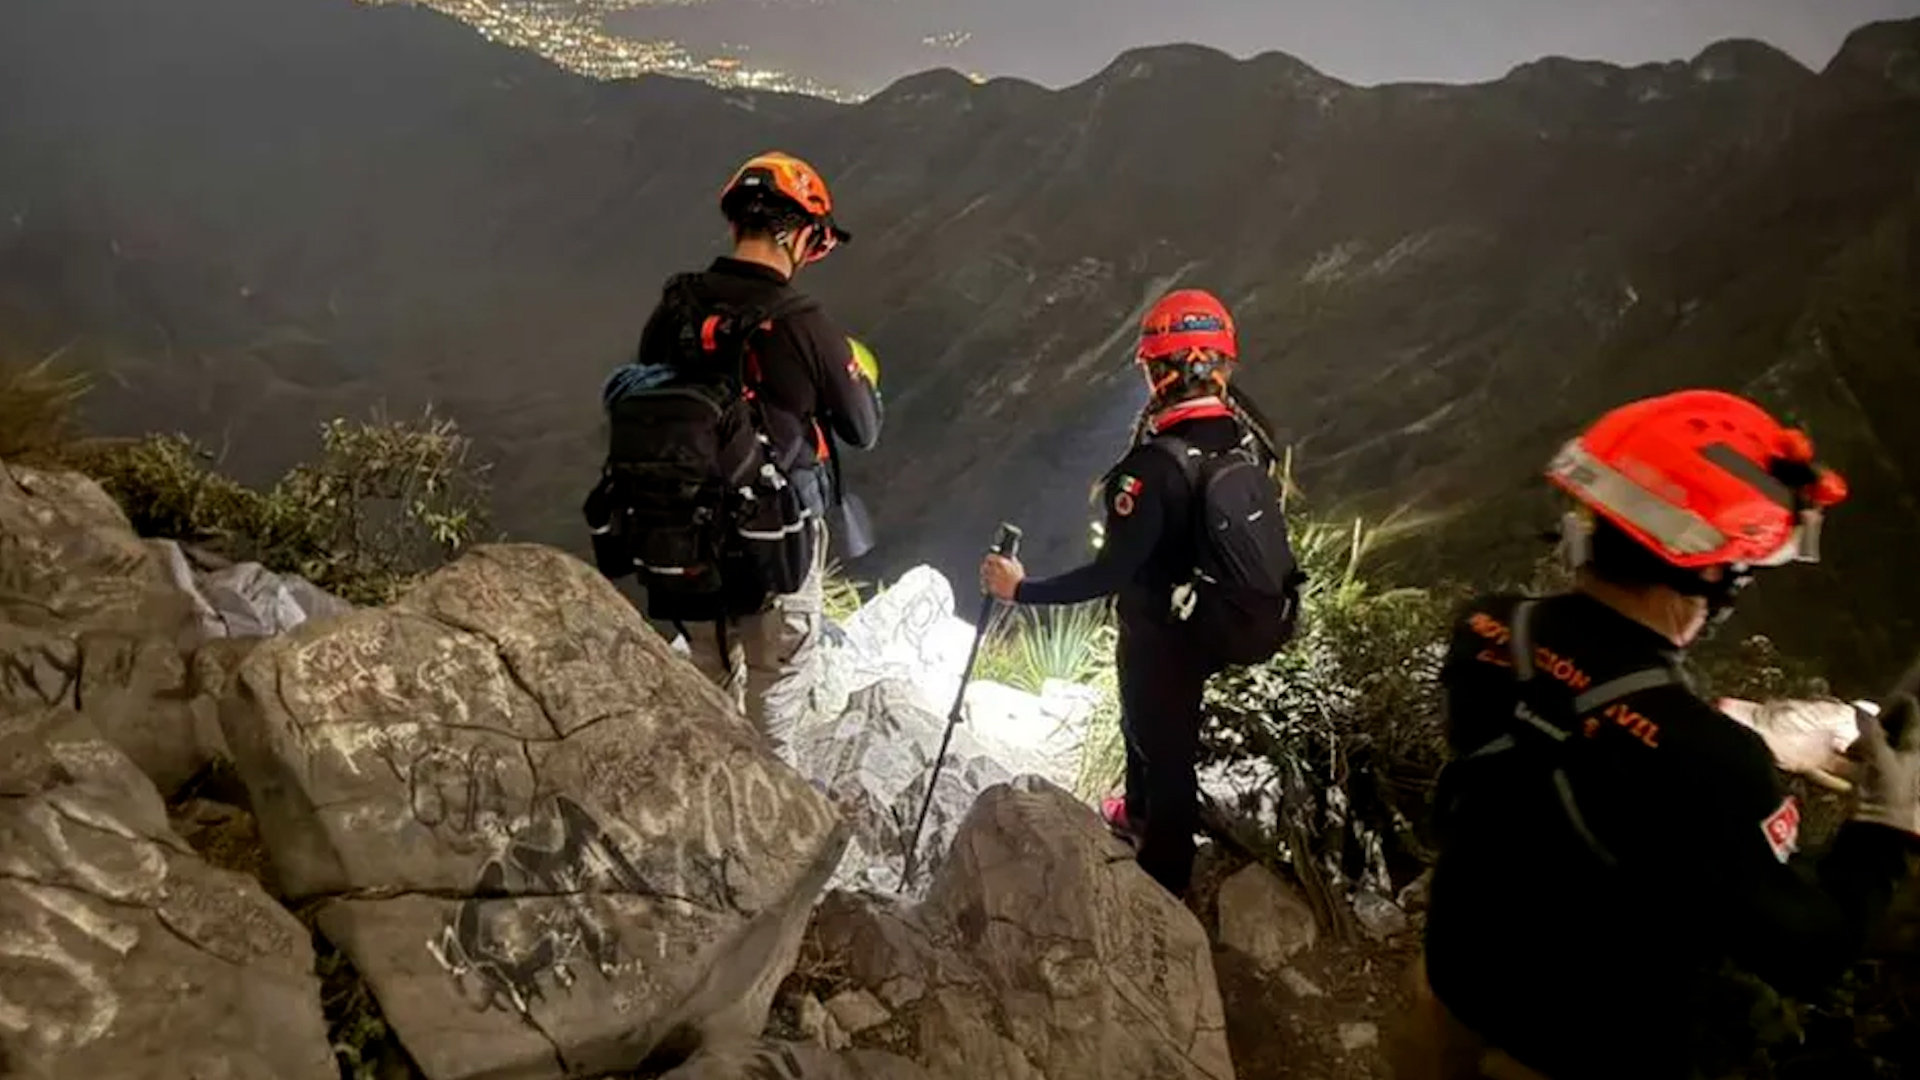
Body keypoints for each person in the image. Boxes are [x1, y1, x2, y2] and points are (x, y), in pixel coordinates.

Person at [1397, 389, 1919, 1080]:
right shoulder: (1704, 762)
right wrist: (1884, 830)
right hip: (1568, 1046)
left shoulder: (1490, 630)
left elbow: (1591, 721)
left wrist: (1745, 728)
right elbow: (1809, 950)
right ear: (1712, 569)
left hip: (1452, 987)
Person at [980, 288, 1297, 899]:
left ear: (1161, 370)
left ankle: (1162, 885)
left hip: (1166, 632)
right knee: (1153, 731)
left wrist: (1020, 590)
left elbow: (1106, 575)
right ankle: (1138, 813)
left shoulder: (1148, 471)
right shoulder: (1248, 439)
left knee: (1164, 749)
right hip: (1222, 613)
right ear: (1220, 365)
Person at [591, 150, 881, 746]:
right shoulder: (804, 322)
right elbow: (862, 428)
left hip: (685, 534)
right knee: (777, 687)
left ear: (736, 224)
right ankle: (773, 825)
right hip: (776, 540)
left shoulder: (676, 307)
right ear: (800, 233)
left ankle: (705, 801)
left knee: (706, 676)